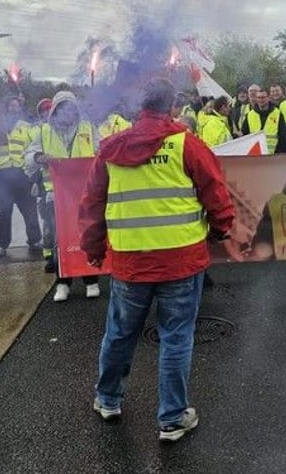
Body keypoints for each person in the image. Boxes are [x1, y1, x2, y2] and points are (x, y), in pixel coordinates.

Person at [80, 78, 235, 443]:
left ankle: (108, 399)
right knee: (176, 337)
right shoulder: (187, 144)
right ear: (173, 106)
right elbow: (215, 191)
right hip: (180, 261)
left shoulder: (110, 148)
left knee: (119, 333)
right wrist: (221, 228)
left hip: (130, 263)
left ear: (138, 105)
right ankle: (172, 418)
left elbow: (91, 203)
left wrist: (93, 247)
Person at [26, 90, 101, 301]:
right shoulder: (44, 131)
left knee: (87, 235)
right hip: (56, 195)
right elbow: (29, 157)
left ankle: (91, 279)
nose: (68, 113)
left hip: (85, 192)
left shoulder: (88, 128)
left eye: (71, 108)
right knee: (61, 239)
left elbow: (100, 151)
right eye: (63, 109)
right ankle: (63, 282)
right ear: (56, 111)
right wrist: (39, 157)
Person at [0, 95, 43, 258]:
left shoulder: (26, 127)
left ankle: (34, 239)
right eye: (10, 105)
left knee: (29, 209)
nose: (14, 108)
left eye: (16, 106)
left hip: (21, 173)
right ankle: (0, 244)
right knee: (2, 211)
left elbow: (35, 145)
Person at [29, 98, 57, 272]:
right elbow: (29, 156)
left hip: (64, 188)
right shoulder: (37, 131)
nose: (48, 114)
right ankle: (49, 255)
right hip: (44, 186)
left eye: (50, 110)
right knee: (48, 224)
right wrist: (37, 158)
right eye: (44, 111)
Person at [240, 86, 283, 154]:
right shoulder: (250, 115)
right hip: (255, 155)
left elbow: (282, 137)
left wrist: (277, 153)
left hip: (272, 155)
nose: (261, 100)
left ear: (268, 98)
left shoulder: (278, 114)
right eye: (259, 98)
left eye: (263, 97)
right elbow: (245, 135)